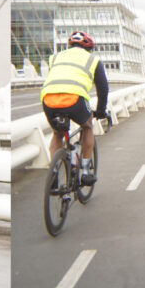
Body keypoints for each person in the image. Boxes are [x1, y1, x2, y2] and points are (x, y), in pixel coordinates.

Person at [38, 32, 111, 184]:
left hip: (48, 99)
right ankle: (85, 171)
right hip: (74, 98)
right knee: (87, 127)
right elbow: (103, 88)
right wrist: (101, 111)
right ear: (89, 48)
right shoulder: (92, 59)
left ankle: (54, 174)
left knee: (57, 133)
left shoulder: (55, 57)